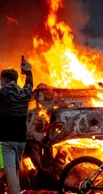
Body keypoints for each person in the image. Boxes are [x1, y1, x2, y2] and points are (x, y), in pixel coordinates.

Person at [0, 61, 33, 194]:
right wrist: (29, 71)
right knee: (14, 171)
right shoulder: (24, 93)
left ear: (5, 80)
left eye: (1, 80)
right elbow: (29, 84)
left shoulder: (3, 93)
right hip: (21, 140)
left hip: (7, 140)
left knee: (10, 173)